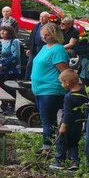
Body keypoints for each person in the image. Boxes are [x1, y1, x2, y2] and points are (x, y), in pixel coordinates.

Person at [30, 23, 70, 155]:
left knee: (48, 119)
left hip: (51, 89)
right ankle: (50, 145)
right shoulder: (44, 48)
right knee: (46, 118)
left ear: (54, 34)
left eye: (47, 34)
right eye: (43, 34)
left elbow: (65, 72)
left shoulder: (58, 49)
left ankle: (47, 147)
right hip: (40, 89)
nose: (44, 37)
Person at [54, 69, 88, 170]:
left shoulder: (69, 97)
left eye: (61, 82)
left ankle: (60, 161)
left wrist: (63, 126)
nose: (61, 84)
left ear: (67, 83)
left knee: (61, 143)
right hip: (78, 124)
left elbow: (67, 113)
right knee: (73, 143)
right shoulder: (83, 92)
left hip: (67, 124)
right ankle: (74, 162)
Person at [26, 11, 51, 78]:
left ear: (48, 18)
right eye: (40, 16)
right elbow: (31, 37)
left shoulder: (50, 27)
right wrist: (29, 48)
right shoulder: (37, 25)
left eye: (44, 17)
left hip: (44, 48)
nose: (41, 18)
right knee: (30, 64)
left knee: (40, 65)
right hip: (34, 48)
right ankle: (27, 79)